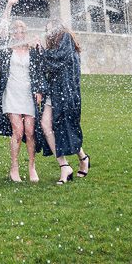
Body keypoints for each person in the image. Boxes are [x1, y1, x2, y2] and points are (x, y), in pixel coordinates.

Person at [0, 0, 43, 182]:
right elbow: (2, 28)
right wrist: (9, 5)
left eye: (22, 31)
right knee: (18, 131)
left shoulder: (33, 50)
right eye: (16, 31)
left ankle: (31, 166)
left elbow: (39, 71)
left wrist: (39, 90)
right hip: (11, 93)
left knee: (30, 131)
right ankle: (14, 167)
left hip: (28, 94)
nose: (19, 34)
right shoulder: (5, 50)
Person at [38, 19, 90, 184]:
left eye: (50, 29)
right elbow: (48, 66)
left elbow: (58, 59)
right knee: (46, 125)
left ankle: (83, 157)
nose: (48, 33)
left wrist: (42, 52)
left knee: (66, 128)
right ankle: (65, 166)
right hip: (53, 92)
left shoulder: (66, 37)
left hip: (66, 93)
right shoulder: (54, 46)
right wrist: (41, 51)